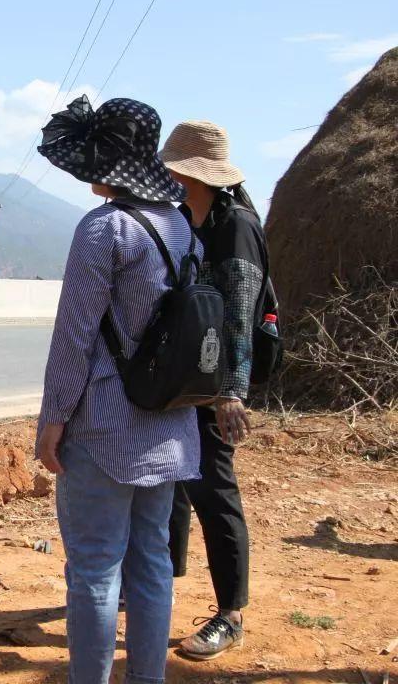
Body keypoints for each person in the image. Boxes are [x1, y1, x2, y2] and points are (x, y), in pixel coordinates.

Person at [34, 95, 201, 684]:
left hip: (103, 426)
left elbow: (75, 334)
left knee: (96, 571)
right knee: (152, 564)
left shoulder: (104, 229)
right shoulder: (182, 226)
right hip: (170, 427)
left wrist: (52, 420)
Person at [160, 120, 267, 660]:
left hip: (216, 383)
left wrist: (232, 392)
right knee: (173, 482)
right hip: (185, 378)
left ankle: (231, 613)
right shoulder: (184, 220)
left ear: (191, 173)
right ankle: (160, 583)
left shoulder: (236, 227)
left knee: (214, 489)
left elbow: (241, 316)